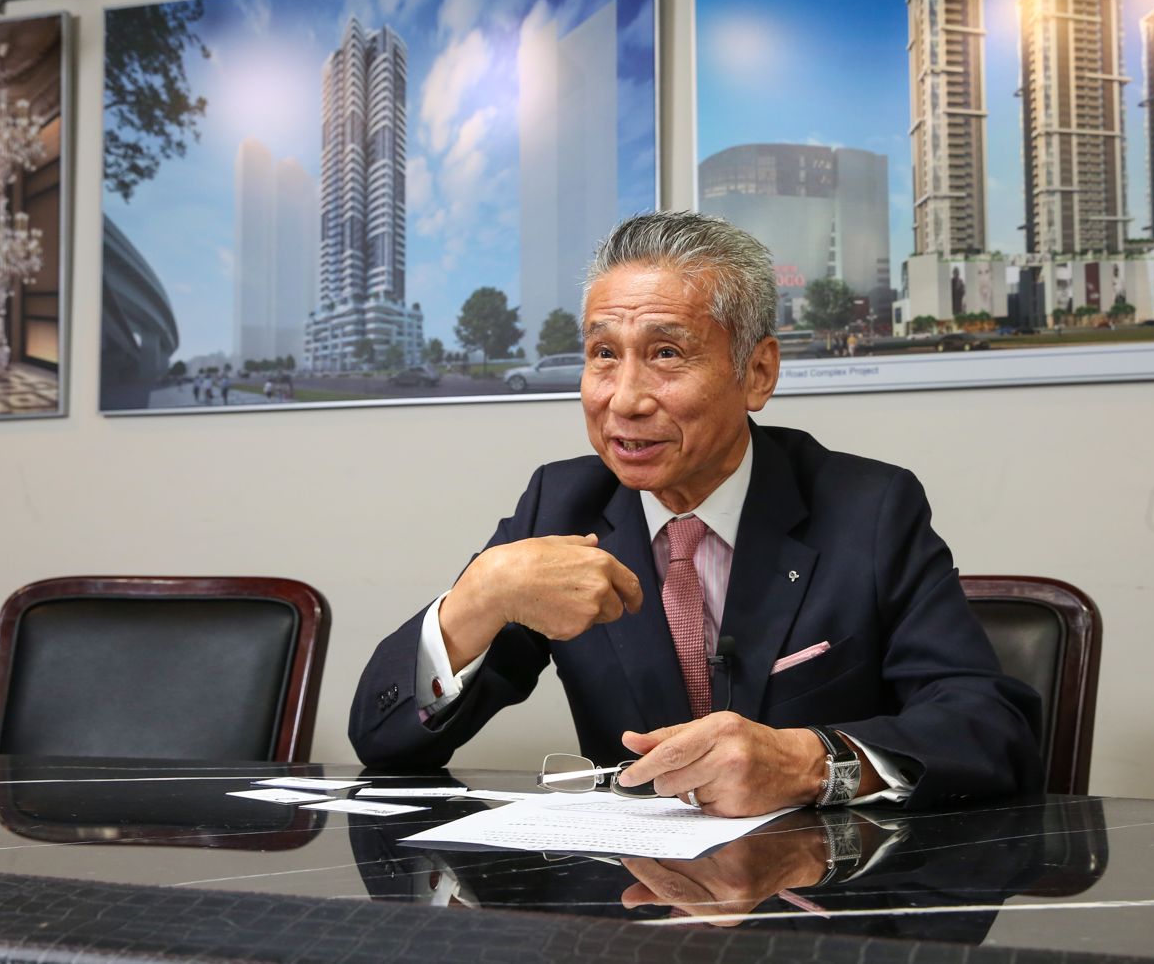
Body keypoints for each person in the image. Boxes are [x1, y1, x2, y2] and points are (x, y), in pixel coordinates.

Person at [349, 211, 1042, 817]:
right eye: (602, 354)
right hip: (634, 899)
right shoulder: (559, 506)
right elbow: (382, 740)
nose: (624, 400)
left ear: (758, 373)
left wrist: (810, 762)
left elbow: (990, 728)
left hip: (822, 891)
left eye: (666, 354)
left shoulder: (870, 509)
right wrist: (480, 595)